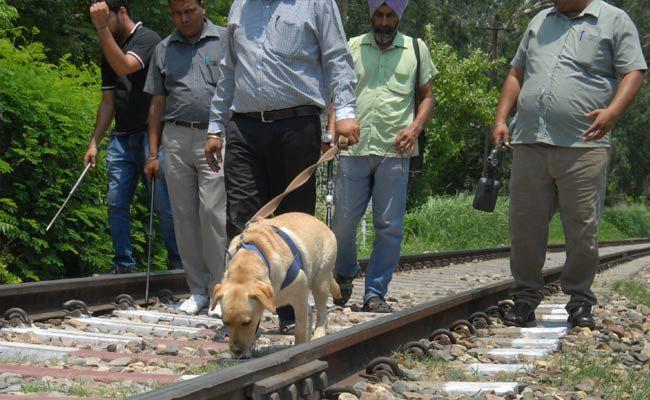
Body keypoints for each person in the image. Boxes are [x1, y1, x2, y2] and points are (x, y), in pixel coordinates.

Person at [206, 0, 361, 331]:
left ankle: (291, 311)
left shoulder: (317, 3)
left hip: (296, 124)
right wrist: (215, 127)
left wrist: (345, 113)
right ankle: (243, 312)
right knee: (242, 221)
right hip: (244, 127)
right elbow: (228, 70)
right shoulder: (239, 7)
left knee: (293, 220)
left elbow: (336, 58)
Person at [492, 0, 646, 328]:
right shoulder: (539, 21)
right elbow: (516, 73)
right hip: (530, 141)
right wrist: (501, 118)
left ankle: (579, 301)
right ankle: (525, 298)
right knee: (525, 226)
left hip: (584, 144)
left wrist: (614, 112)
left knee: (582, 228)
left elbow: (633, 71)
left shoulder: (614, 20)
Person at [329, 0, 436, 313]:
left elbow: (427, 97)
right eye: (380, 14)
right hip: (353, 148)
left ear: (398, 17)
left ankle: (375, 293)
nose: (385, 22)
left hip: (396, 151)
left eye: (391, 16)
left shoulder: (415, 49)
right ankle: (345, 270)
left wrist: (415, 129)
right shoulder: (351, 47)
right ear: (371, 15)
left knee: (389, 225)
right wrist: (330, 132)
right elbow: (338, 94)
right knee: (344, 224)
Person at [83, 0, 182, 275]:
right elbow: (107, 102)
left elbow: (126, 66)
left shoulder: (148, 39)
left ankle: (179, 266)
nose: (100, 25)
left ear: (122, 12)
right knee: (116, 203)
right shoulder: (108, 44)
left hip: (152, 138)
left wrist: (101, 28)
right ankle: (123, 266)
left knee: (163, 207)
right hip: (122, 138)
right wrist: (94, 143)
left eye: (105, 18)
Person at [144, 0, 227, 315]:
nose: (184, 18)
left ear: (203, 7)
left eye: (189, 11)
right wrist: (153, 153)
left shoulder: (225, 40)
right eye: (177, 13)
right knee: (184, 216)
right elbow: (156, 104)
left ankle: (220, 290)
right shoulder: (164, 49)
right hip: (175, 138)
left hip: (214, 136)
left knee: (213, 213)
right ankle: (198, 291)